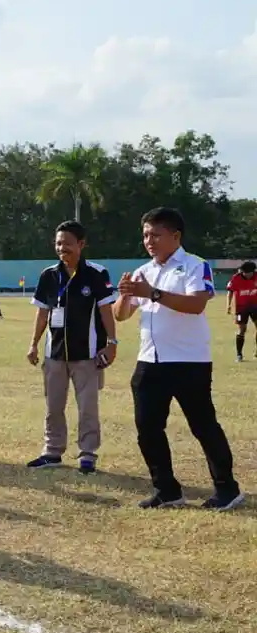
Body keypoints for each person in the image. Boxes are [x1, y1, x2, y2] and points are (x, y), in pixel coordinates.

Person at [113, 207, 243, 510]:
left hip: (189, 361)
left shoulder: (194, 265)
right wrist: (124, 293)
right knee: (147, 428)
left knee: (203, 426)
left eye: (156, 234)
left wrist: (153, 293)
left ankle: (227, 489)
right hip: (150, 360)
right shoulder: (144, 271)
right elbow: (122, 314)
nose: (149, 240)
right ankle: (166, 489)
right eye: (145, 234)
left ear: (175, 236)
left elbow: (197, 304)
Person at [25, 221, 119, 474]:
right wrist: (33, 343)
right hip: (54, 354)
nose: (61, 248)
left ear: (81, 244)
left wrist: (111, 343)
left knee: (87, 406)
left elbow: (106, 310)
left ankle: (88, 454)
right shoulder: (48, 275)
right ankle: (52, 451)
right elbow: (42, 313)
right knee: (53, 406)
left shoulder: (97, 274)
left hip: (87, 355)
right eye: (58, 243)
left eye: (67, 243)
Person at [225, 260, 257, 361]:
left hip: (255, 306)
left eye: (249, 273)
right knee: (242, 329)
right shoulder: (236, 278)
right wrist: (229, 305)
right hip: (241, 308)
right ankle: (239, 354)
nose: (247, 275)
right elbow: (230, 292)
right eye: (245, 273)